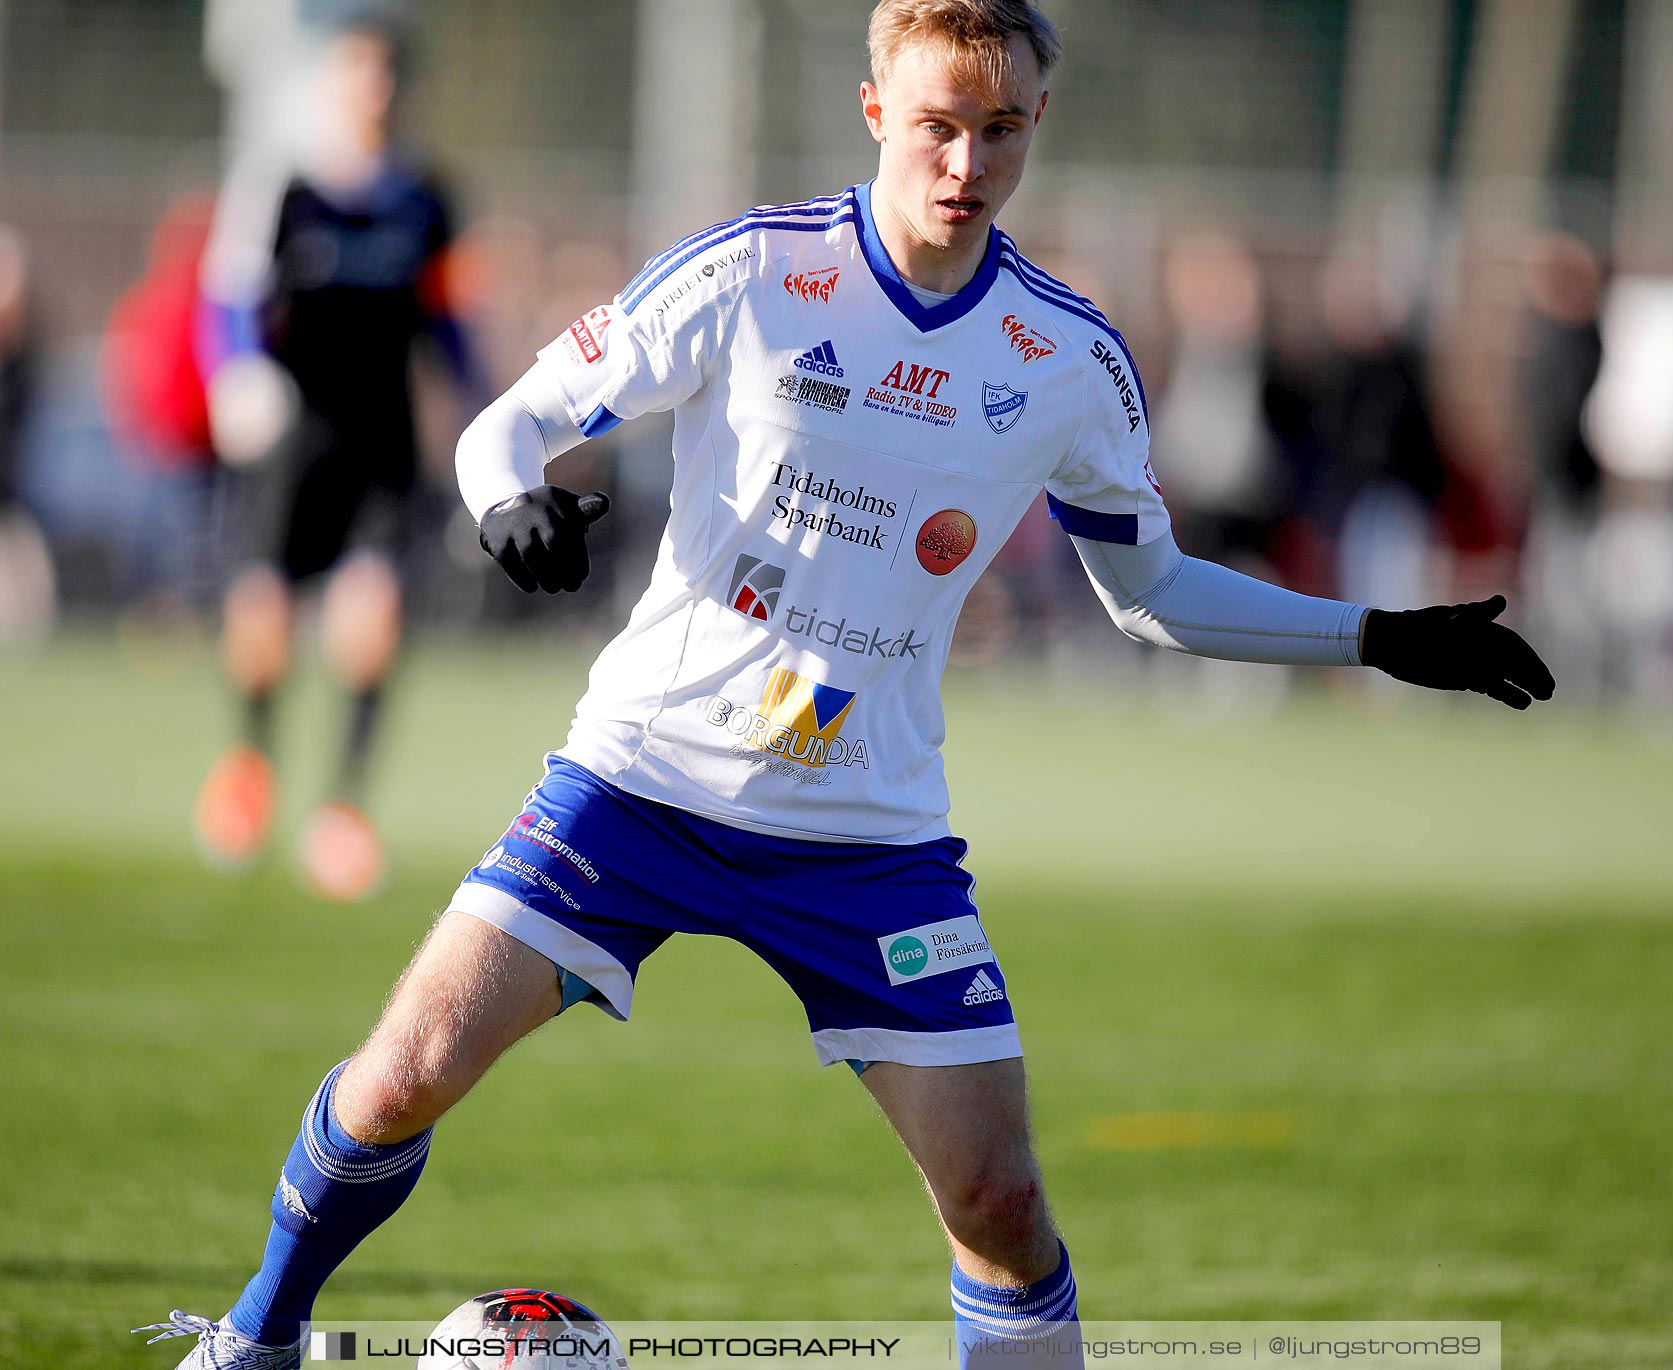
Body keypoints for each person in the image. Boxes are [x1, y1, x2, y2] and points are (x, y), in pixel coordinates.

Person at [138, 3, 1553, 1366]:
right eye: (940, 124)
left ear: (1036, 125)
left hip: (868, 834)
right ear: (877, 108)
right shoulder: (751, 273)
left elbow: (1154, 591)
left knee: (998, 1199)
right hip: (644, 779)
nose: (968, 162)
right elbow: (510, 426)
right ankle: (256, 1335)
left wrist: (1376, 637)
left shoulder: (1065, 358)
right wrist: (508, 502)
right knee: (401, 1073)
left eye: (1002, 131)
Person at [191, 18, 483, 899]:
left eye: (386, 78)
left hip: (382, 440)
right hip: (293, 435)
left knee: (373, 619)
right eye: (358, 76)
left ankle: (342, 813)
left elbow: (445, 317)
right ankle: (249, 768)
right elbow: (229, 297)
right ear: (333, 85)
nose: (374, 93)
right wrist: (237, 377)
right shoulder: (284, 186)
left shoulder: (425, 195)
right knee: (265, 620)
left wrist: (485, 406)